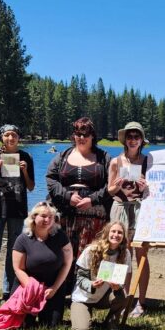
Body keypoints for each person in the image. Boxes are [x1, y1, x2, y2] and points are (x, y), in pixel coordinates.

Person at [46, 117, 112, 292]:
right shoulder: (62, 156)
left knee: (91, 252)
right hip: (65, 213)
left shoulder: (104, 158)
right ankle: (62, 290)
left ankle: (91, 290)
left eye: (86, 134)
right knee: (64, 250)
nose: (81, 138)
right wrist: (67, 196)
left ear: (92, 136)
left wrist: (93, 199)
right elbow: (51, 180)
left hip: (94, 215)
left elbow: (111, 185)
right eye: (78, 134)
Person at [0, 124, 35, 300]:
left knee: (13, 253)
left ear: (19, 138)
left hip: (17, 210)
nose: (11, 138)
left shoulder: (26, 157)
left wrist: (24, 171)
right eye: (7, 135)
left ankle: (7, 293)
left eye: (14, 135)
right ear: (2, 137)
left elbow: (31, 187)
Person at [108, 121, 149, 317]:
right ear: (125, 140)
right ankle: (119, 298)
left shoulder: (148, 161)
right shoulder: (116, 161)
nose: (133, 140)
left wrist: (144, 188)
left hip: (140, 209)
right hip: (119, 209)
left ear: (141, 140)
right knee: (118, 253)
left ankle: (140, 302)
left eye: (137, 136)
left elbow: (153, 190)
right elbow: (109, 190)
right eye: (130, 137)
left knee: (141, 255)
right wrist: (117, 185)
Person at [11, 201, 73, 327]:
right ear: (34, 217)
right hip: (28, 286)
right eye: (43, 216)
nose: (47, 220)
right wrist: (33, 288)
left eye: (51, 217)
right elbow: (18, 268)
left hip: (52, 287)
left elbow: (67, 263)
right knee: (23, 326)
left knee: (50, 325)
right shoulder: (23, 239)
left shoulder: (60, 236)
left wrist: (54, 288)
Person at [70, 221, 132, 330]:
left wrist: (117, 287)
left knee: (123, 296)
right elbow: (80, 278)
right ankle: (82, 314)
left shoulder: (125, 253)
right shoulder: (91, 250)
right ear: (107, 232)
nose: (116, 235)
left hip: (103, 296)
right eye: (113, 231)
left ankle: (111, 322)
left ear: (123, 236)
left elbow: (123, 279)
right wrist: (92, 284)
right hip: (83, 297)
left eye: (120, 233)